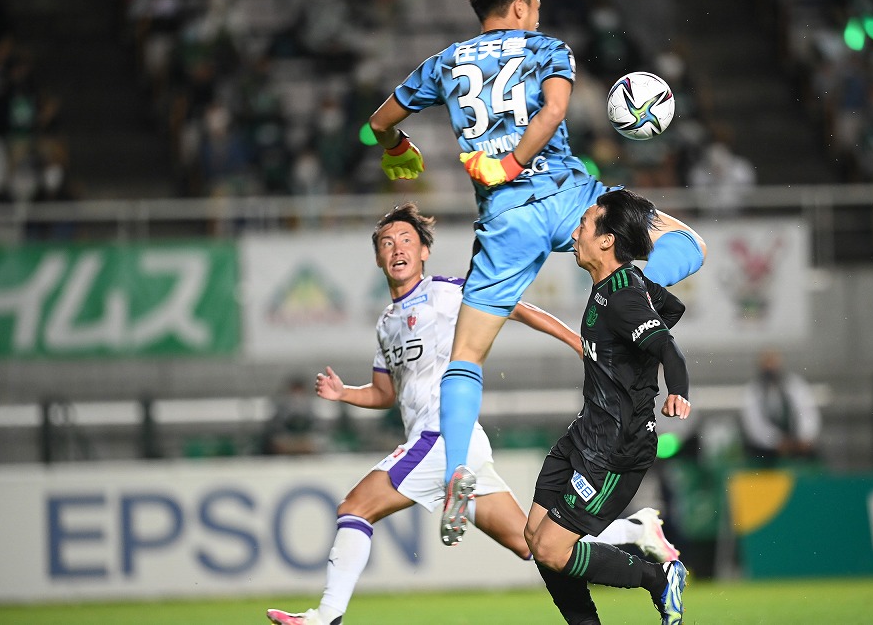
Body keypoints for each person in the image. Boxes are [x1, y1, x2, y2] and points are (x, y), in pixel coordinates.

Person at [367, 0, 707, 545]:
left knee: (466, 358)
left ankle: (455, 478)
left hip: (505, 222)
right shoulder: (548, 48)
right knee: (687, 242)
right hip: (576, 203)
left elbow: (380, 120)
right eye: (537, 6)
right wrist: (515, 160)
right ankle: (628, 304)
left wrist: (397, 146)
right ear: (523, 6)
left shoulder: (445, 63)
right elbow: (552, 112)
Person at [265, 202, 680, 625]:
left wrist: (577, 341)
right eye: (386, 243)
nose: (397, 248)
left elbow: (516, 306)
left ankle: (326, 616)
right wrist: (343, 394)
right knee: (531, 542)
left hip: (442, 436)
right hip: (455, 445)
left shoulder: (446, 289)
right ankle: (636, 531)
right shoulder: (386, 323)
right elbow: (384, 392)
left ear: (424, 250)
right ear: (377, 257)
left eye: (406, 239)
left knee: (354, 508)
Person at [524, 189, 692, 625]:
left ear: (606, 240)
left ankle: (659, 577)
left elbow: (669, 350)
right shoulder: (617, 288)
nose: (575, 232)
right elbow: (672, 307)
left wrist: (676, 389)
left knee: (550, 548)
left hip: (616, 449)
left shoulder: (623, 299)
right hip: (586, 433)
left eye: (584, 224)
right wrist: (634, 355)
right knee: (535, 538)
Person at [740, 348, 821, 463]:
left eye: (773, 363)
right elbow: (755, 426)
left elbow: (807, 412)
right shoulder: (753, 391)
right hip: (766, 449)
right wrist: (777, 441)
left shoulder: (795, 385)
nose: (771, 368)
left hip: (797, 443)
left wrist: (805, 437)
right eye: (767, 363)